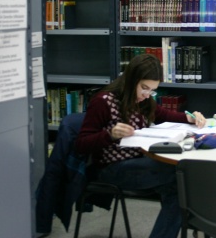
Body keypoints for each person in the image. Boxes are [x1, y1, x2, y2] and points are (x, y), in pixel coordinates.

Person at [75, 53, 206, 238]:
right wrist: (110, 134)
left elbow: (164, 115)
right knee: (181, 174)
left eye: (152, 90)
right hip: (110, 169)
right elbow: (81, 144)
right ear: (131, 80)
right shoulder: (103, 101)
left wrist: (189, 118)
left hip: (139, 163)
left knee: (179, 190)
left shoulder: (143, 101)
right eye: (144, 88)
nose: (147, 94)